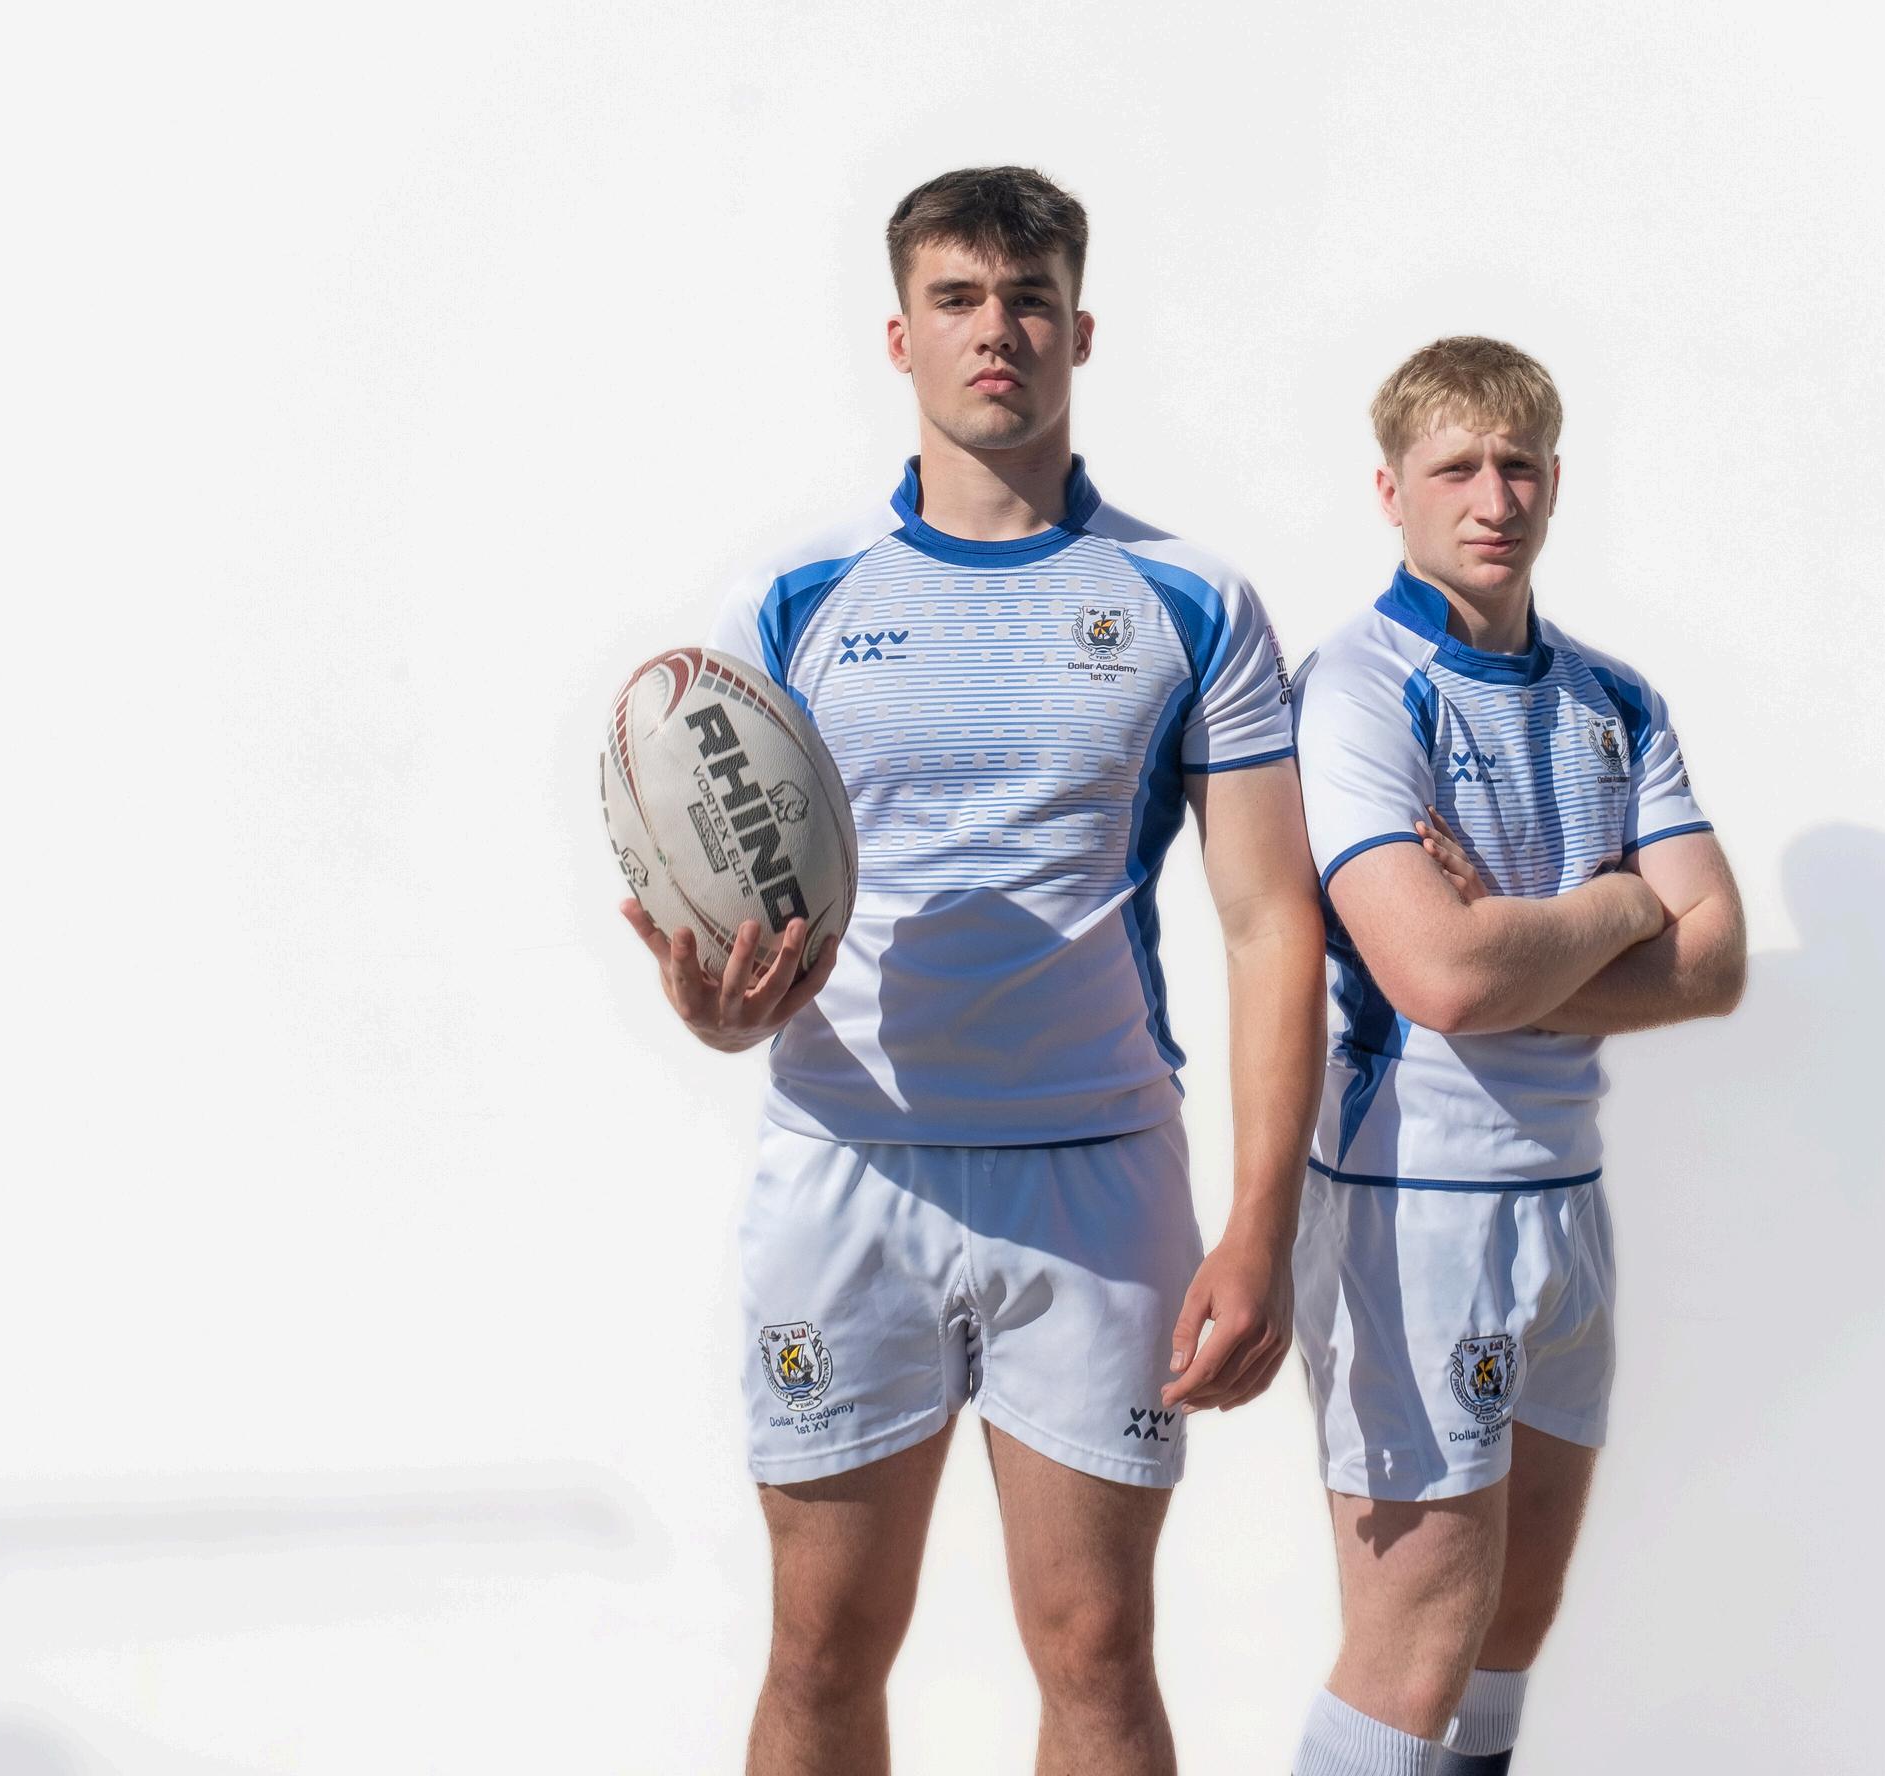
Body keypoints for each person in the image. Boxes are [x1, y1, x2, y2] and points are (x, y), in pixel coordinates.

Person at [619, 166, 1324, 1776]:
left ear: (1080, 329)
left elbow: (1272, 922)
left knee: (1096, 1654)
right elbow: (730, 892)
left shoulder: (1191, 600)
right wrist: (713, 1011)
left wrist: (1262, 1226)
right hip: (846, 1161)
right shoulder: (794, 596)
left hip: (1096, 1177)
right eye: (956, 298)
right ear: (901, 335)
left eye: (1026, 300)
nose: (994, 330)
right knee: (821, 1647)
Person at [1286, 336, 1748, 1775]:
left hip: (1566, 1193)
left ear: (1554, 480)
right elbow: (1440, 976)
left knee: (1507, 1634)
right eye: (1455, 469)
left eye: (1519, 466)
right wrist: (1618, 905)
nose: (1493, 499)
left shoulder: (1615, 698)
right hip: (1414, 1199)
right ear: (1391, 490)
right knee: (1415, 1647)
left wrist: (1517, 943)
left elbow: (1718, 959)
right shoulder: (1358, 686)